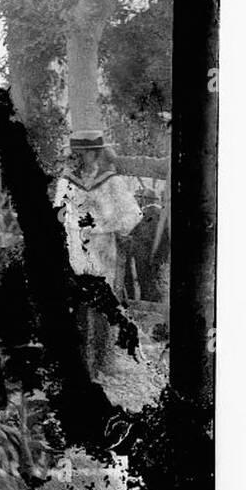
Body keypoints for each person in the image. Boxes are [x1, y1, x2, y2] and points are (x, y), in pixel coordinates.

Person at [54, 129, 142, 374]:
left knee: (103, 304)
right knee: (77, 304)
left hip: (102, 250)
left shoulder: (111, 182)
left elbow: (133, 214)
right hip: (74, 250)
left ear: (96, 154)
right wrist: (67, 222)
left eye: (84, 153)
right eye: (75, 154)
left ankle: (103, 362)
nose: (79, 158)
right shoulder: (66, 182)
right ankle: (81, 365)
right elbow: (58, 213)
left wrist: (104, 225)